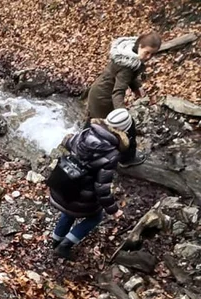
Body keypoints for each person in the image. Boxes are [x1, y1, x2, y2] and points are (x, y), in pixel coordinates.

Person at [49, 110, 131, 260]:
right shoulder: (112, 154)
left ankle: (56, 241)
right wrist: (113, 210)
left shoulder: (86, 132)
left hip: (64, 185)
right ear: (123, 130)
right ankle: (65, 246)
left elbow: (67, 141)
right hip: (82, 193)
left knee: (68, 212)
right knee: (96, 217)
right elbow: (102, 187)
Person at [87, 32, 161, 167]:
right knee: (127, 127)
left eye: (153, 54)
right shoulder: (128, 64)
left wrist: (136, 87)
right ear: (139, 45)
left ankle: (85, 146)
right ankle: (125, 159)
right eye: (147, 53)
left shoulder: (128, 53)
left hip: (97, 92)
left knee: (95, 124)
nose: (149, 57)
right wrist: (122, 115)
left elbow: (125, 77)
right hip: (103, 98)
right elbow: (118, 91)